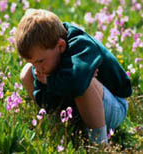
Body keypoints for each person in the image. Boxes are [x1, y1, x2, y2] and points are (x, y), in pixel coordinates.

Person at [15, 9, 132, 144]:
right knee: (26, 73)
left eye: (40, 61)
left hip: (113, 108)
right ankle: (60, 125)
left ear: (61, 46)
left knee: (84, 84)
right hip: (77, 106)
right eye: (33, 62)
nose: (37, 68)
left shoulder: (81, 45)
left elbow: (77, 84)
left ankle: (99, 143)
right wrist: (49, 84)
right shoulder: (46, 59)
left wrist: (50, 80)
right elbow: (44, 98)